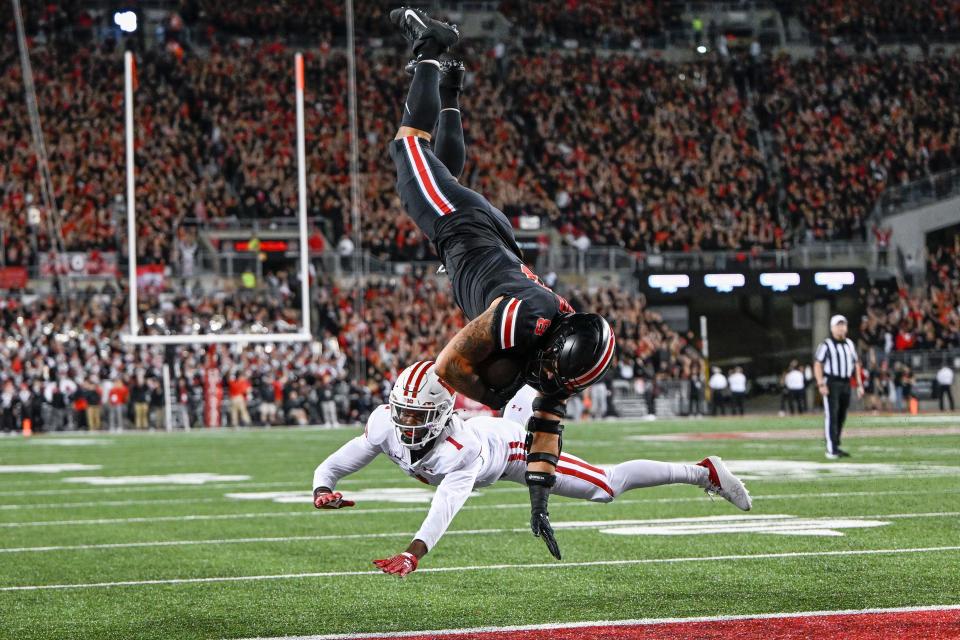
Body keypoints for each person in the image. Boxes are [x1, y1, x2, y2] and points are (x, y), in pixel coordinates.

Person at [386, 6, 616, 559]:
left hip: (483, 240)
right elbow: (450, 365)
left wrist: (539, 498)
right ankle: (428, 50)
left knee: (442, 170)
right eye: (559, 367)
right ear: (559, 341)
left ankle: (453, 85)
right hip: (464, 230)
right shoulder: (531, 313)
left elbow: (545, 432)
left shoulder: (556, 349)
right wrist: (499, 392)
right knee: (407, 148)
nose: (554, 378)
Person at [312, 361, 751, 578]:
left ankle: (703, 472)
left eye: (415, 414)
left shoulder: (456, 449)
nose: (405, 422)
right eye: (402, 413)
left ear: (440, 414)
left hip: (513, 449)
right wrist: (322, 486)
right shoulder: (384, 423)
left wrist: (414, 553)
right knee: (527, 383)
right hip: (494, 426)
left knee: (605, 487)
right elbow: (346, 456)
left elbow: (446, 504)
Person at [814, 315, 864, 459]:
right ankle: (831, 449)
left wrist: (859, 384)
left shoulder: (849, 343)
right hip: (832, 382)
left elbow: (856, 364)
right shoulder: (826, 344)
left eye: (843, 325)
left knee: (841, 415)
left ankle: (835, 444)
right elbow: (818, 364)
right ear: (832, 328)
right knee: (832, 415)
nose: (841, 328)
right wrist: (821, 383)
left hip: (846, 382)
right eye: (838, 325)